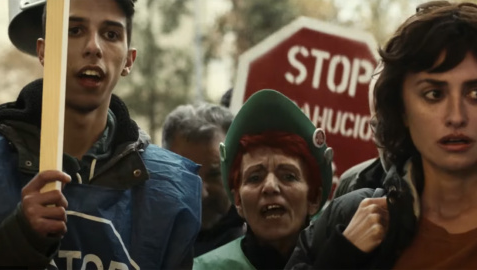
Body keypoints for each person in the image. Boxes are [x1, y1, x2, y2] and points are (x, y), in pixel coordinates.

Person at [0, 0, 201, 268]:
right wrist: (18, 239)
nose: (93, 47)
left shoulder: (171, 189)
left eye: (111, 34)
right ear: (44, 51)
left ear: (129, 60)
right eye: (74, 30)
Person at [286, 1, 477, 269]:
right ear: (401, 110)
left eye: (474, 93)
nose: (457, 116)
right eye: (434, 94)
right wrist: (341, 256)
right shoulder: (350, 218)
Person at [193, 89, 333, 269]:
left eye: (289, 176)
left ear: (313, 198)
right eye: (254, 178)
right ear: (238, 201)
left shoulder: (342, 261)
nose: (270, 186)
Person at [162, 103, 245, 257]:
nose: (202, 193)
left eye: (214, 174)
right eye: (187, 175)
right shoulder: (140, 245)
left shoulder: (264, 247)